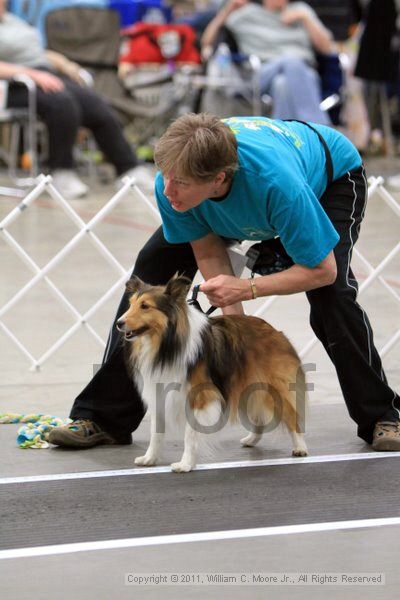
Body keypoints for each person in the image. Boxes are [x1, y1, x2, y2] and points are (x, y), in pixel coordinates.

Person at [48, 112, 400, 452]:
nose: (167, 189)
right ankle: (103, 418)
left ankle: (383, 416)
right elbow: (208, 252)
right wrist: (238, 327)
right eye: (165, 176)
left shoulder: (279, 186)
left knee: (332, 298)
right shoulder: (171, 182)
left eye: (180, 182)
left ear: (217, 178)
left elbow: (323, 270)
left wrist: (248, 288)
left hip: (328, 178)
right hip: (235, 199)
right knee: (152, 273)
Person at [0, 1, 153, 199]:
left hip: (43, 74)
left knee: (96, 105)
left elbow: (38, 52)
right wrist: (32, 74)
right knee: (63, 104)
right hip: (13, 84)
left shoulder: (13, 21)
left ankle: (129, 168)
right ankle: (61, 172)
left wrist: (67, 65)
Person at [201, 0, 334, 124]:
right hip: (262, 73)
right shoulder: (246, 14)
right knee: (291, 60)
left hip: (303, 73)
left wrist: (306, 18)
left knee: (282, 84)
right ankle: (319, 129)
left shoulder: (301, 10)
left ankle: (283, 139)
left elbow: (327, 48)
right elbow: (206, 42)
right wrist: (226, 12)